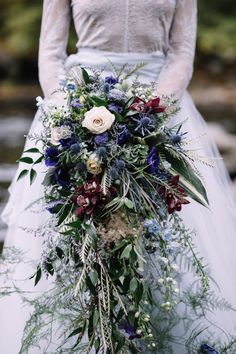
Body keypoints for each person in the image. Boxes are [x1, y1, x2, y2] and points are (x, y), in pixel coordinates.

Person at [1, 1, 236, 353]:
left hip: (158, 111)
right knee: (75, 236)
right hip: (81, 106)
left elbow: (182, 52)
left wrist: (151, 110)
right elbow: (49, 53)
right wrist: (70, 109)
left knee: (166, 239)